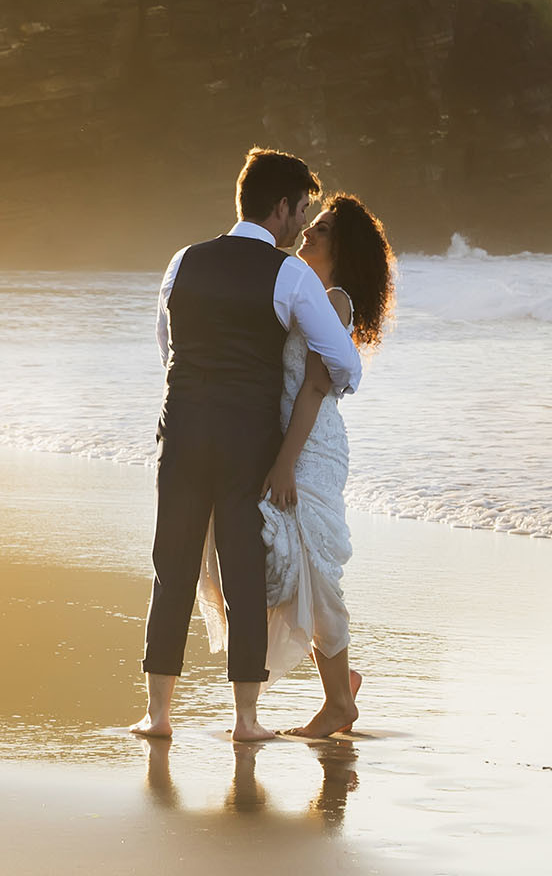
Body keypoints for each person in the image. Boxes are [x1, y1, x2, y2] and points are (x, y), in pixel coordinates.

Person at [131, 149, 362, 742]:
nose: (301, 223)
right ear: (281, 207)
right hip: (246, 441)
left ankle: (158, 716)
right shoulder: (289, 276)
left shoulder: (183, 260)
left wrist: (194, 394)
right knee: (243, 573)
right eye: (301, 210)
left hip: (181, 428)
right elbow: (343, 360)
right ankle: (246, 720)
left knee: (172, 566)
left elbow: (166, 346)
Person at [198, 194, 395, 738]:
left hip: (310, 450)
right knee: (288, 567)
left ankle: (339, 703)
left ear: (344, 248)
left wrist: (285, 464)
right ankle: (341, 680)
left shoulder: (335, 300)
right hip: (287, 445)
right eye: (313, 222)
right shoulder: (306, 295)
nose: (308, 232)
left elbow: (313, 387)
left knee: (311, 567)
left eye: (323, 229)